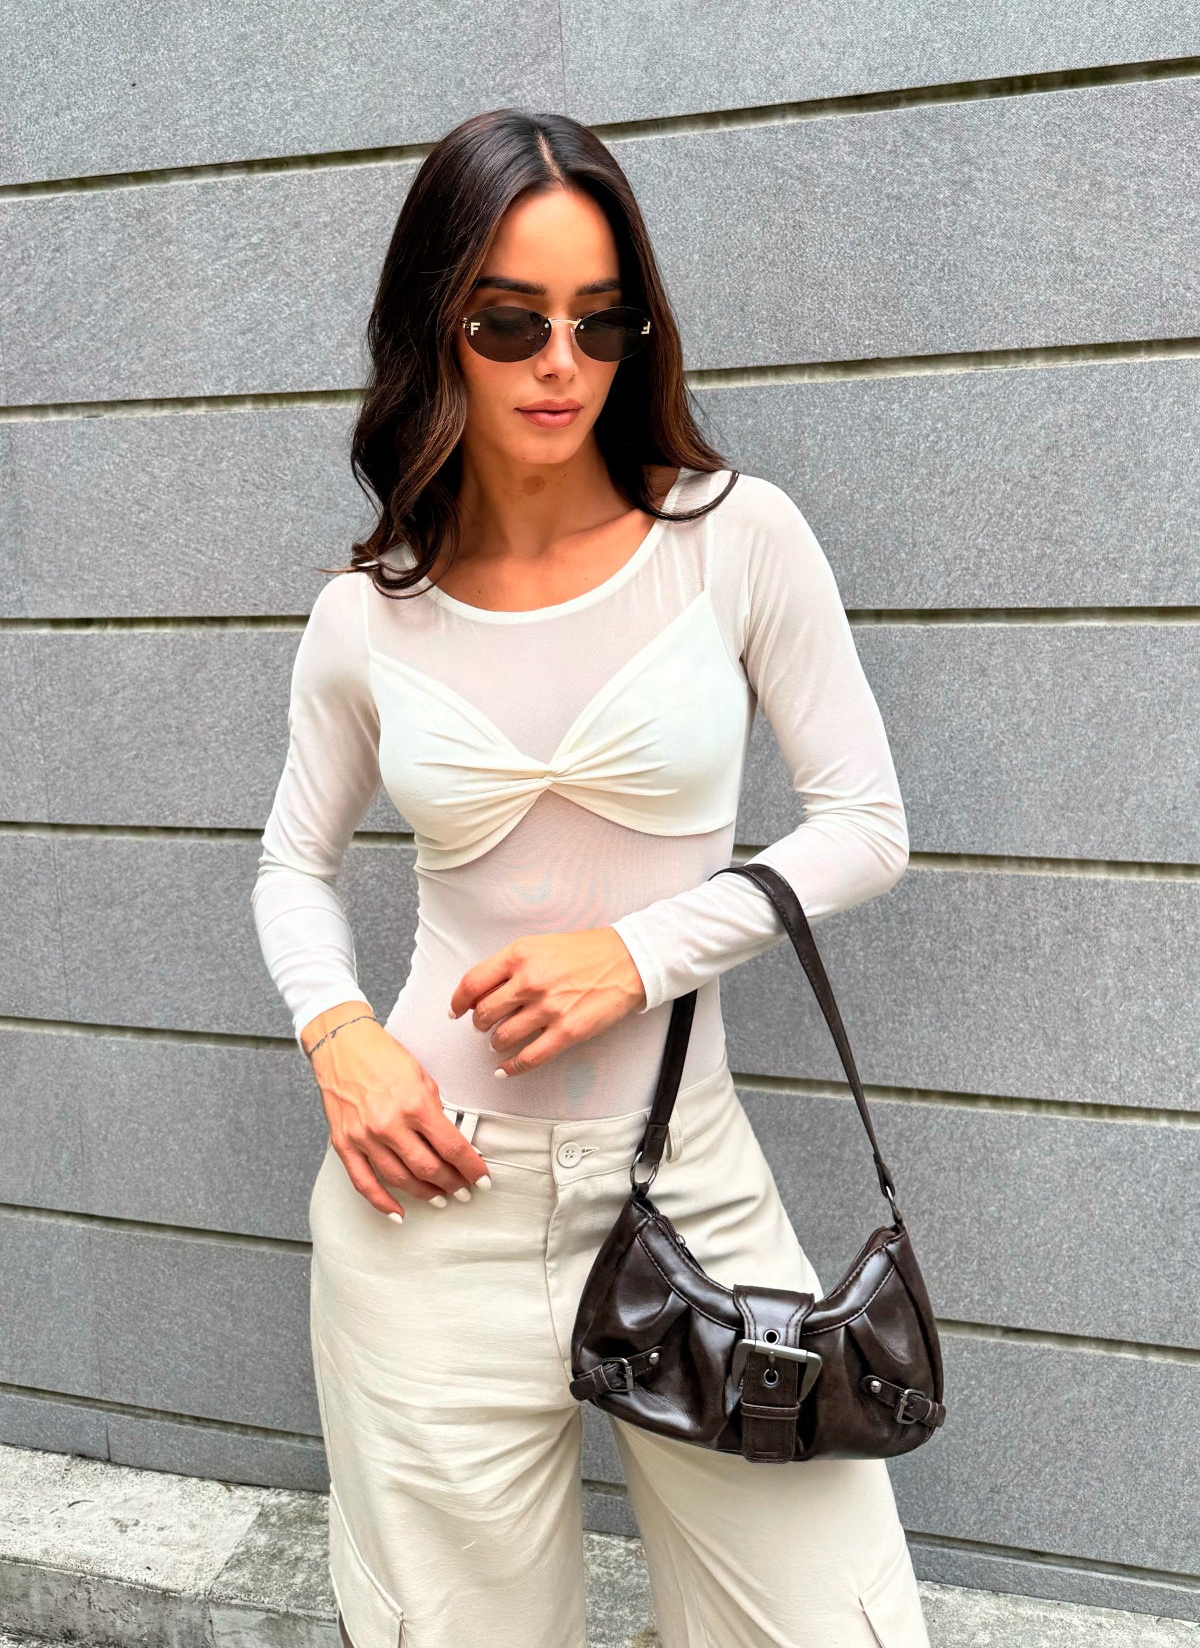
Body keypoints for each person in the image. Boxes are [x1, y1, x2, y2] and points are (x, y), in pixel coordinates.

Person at [251, 108, 930, 1648]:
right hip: (428, 1200)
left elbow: (865, 822)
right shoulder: (368, 615)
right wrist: (338, 1032)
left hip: (686, 1175)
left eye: (600, 320)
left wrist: (637, 953)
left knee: (831, 1623)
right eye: (511, 321)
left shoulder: (734, 539)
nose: (561, 361)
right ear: (437, 328)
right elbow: (293, 863)